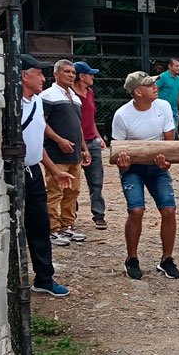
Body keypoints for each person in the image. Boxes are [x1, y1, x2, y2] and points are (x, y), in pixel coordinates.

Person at [111, 72, 179, 280]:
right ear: (138, 92)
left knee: (169, 209)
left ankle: (166, 259)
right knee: (136, 210)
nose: (155, 86)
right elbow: (118, 151)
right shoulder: (122, 115)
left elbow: (169, 144)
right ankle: (131, 258)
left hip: (157, 167)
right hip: (133, 169)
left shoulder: (164, 107)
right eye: (150, 85)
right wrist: (123, 164)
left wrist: (166, 162)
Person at [19, 54, 74, 297]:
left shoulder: (37, 102)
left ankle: (44, 278)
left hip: (33, 171)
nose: (43, 78)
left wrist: (53, 170)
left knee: (40, 226)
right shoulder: (13, 105)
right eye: (39, 73)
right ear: (24, 76)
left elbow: (35, 141)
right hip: (14, 171)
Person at [41, 59, 90, 246]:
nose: (71, 75)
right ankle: (52, 228)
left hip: (74, 153)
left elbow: (78, 125)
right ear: (56, 74)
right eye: (66, 71)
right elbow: (41, 122)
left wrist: (84, 148)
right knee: (55, 191)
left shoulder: (75, 98)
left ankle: (67, 225)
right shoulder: (48, 96)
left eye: (73, 72)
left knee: (72, 191)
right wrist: (58, 139)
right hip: (56, 153)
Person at [73, 61, 107, 231]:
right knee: (72, 180)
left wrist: (98, 136)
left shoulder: (90, 93)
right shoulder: (71, 95)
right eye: (90, 74)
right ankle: (70, 214)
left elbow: (90, 118)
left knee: (96, 180)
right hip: (75, 142)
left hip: (91, 140)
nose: (93, 77)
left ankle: (98, 214)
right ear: (82, 76)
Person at [155, 57, 179, 133]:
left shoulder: (178, 78)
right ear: (170, 66)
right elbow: (155, 90)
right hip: (162, 110)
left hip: (174, 109)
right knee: (164, 132)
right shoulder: (163, 76)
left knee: (174, 131)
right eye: (176, 66)